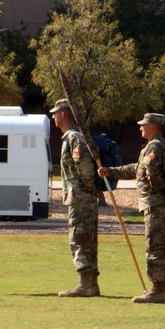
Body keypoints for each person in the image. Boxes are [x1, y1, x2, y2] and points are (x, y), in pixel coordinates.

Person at [99, 113, 165, 303]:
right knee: (160, 245)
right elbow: (136, 169)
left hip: (155, 206)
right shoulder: (154, 147)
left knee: (156, 246)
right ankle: (160, 289)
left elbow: (152, 174)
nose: (140, 128)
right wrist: (111, 172)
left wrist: (154, 192)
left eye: (144, 125)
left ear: (153, 127)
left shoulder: (155, 148)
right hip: (157, 205)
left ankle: (158, 290)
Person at [50, 99, 101, 297]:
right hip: (80, 197)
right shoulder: (70, 138)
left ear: (64, 115)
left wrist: (88, 189)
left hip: (80, 198)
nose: (53, 117)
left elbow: (86, 168)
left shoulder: (74, 138)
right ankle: (91, 285)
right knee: (85, 239)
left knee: (80, 238)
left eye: (55, 113)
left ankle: (86, 285)